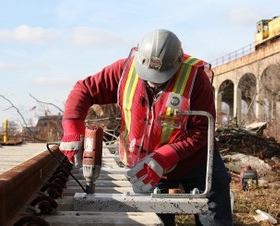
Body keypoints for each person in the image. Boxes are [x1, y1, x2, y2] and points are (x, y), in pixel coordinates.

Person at [59, 28, 233, 226]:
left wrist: (164, 157)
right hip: (146, 166)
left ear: (177, 64)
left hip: (197, 162)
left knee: (215, 220)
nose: (152, 81)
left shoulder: (195, 77)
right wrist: (72, 128)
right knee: (154, 222)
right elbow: (84, 89)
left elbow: (202, 131)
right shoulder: (123, 70)